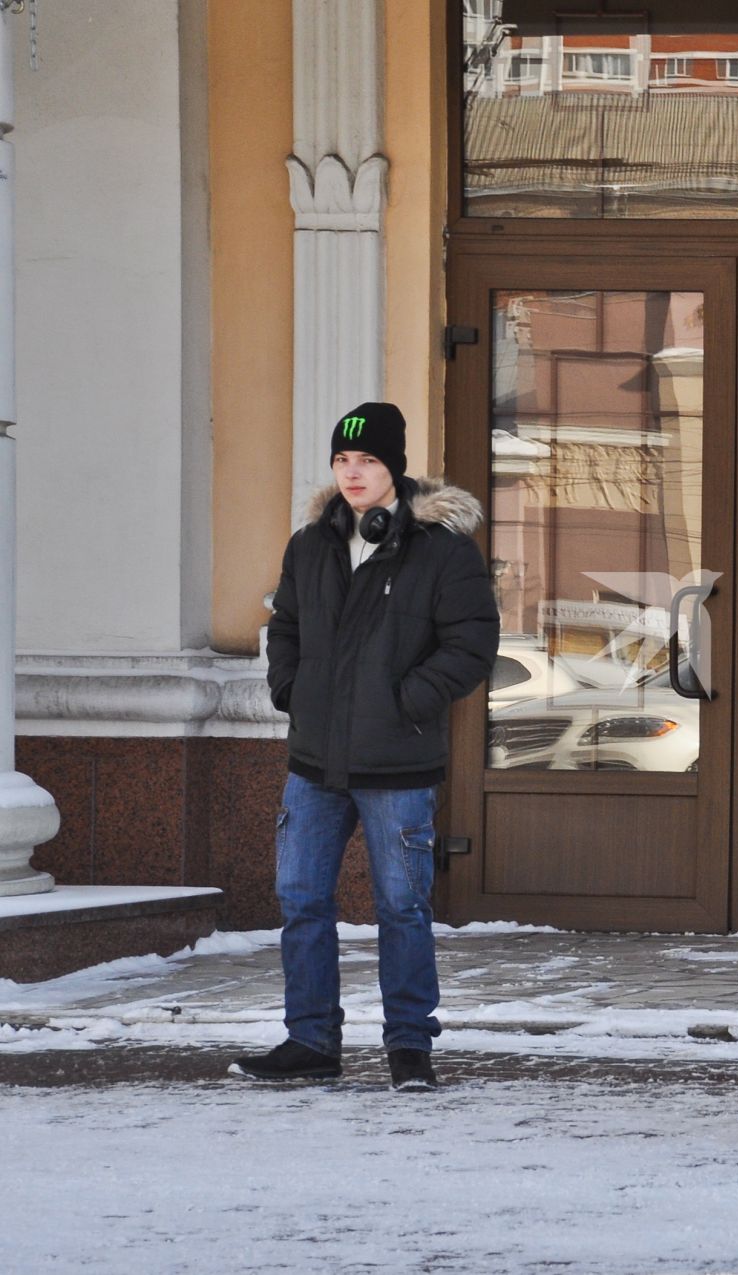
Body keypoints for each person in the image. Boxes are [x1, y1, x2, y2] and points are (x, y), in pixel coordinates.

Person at [233, 402, 500, 1090]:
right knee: (300, 898)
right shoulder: (310, 546)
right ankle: (310, 1039)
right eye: (343, 462)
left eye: (369, 461)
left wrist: (407, 699)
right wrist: (291, 686)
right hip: (315, 762)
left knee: (402, 906)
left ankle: (410, 1045)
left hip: (398, 763)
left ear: (394, 469)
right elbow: (284, 624)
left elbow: (472, 644)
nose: (353, 474)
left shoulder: (440, 550)